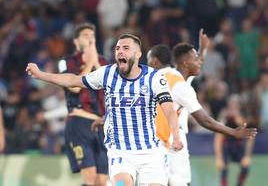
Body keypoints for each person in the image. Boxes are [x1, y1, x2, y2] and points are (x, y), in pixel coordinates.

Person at [26, 33, 183, 186]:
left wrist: (176, 137)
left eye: (126, 48)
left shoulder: (154, 78)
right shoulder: (107, 73)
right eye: (117, 48)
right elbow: (73, 80)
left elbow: (169, 111)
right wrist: (41, 75)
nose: (120, 51)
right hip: (121, 153)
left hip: (151, 153)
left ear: (137, 54)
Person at [147, 41, 257, 185]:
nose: (199, 62)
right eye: (196, 59)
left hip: (148, 141)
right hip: (171, 139)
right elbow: (204, 120)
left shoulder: (158, 78)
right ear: (185, 63)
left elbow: (192, 70)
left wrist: (202, 49)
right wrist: (233, 132)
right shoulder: (180, 85)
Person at [57, 22, 108, 186]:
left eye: (92, 35)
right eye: (85, 36)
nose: (89, 38)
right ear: (76, 41)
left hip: (100, 123)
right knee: (90, 177)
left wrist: (95, 63)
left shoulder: (103, 62)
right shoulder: (67, 61)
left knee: (102, 180)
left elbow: (110, 87)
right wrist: (88, 64)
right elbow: (73, 87)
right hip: (79, 122)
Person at [214, 94, 255, 186]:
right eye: (231, 105)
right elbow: (218, 138)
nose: (233, 108)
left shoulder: (243, 117)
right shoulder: (224, 116)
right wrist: (218, 158)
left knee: (245, 167)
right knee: (223, 169)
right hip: (227, 146)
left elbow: (250, 137)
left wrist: (247, 155)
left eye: (235, 105)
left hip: (239, 147)